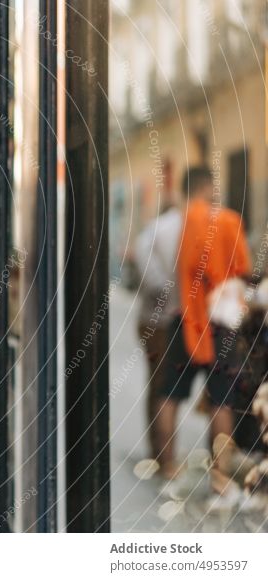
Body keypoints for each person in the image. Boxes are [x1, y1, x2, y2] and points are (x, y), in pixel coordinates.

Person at [154, 166, 251, 494]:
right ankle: (220, 478)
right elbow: (243, 271)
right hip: (222, 325)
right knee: (221, 400)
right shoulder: (229, 222)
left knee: (169, 395)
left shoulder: (171, 225)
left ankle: (167, 465)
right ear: (209, 186)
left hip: (184, 321)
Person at [133, 201, 182, 463]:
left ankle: (160, 452)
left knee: (159, 384)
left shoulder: (150, 232)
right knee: (163, 385)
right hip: (162, 321)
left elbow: (148, 274)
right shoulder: (162, 230)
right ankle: (161, 454)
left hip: (156, 319)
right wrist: (175, 296)